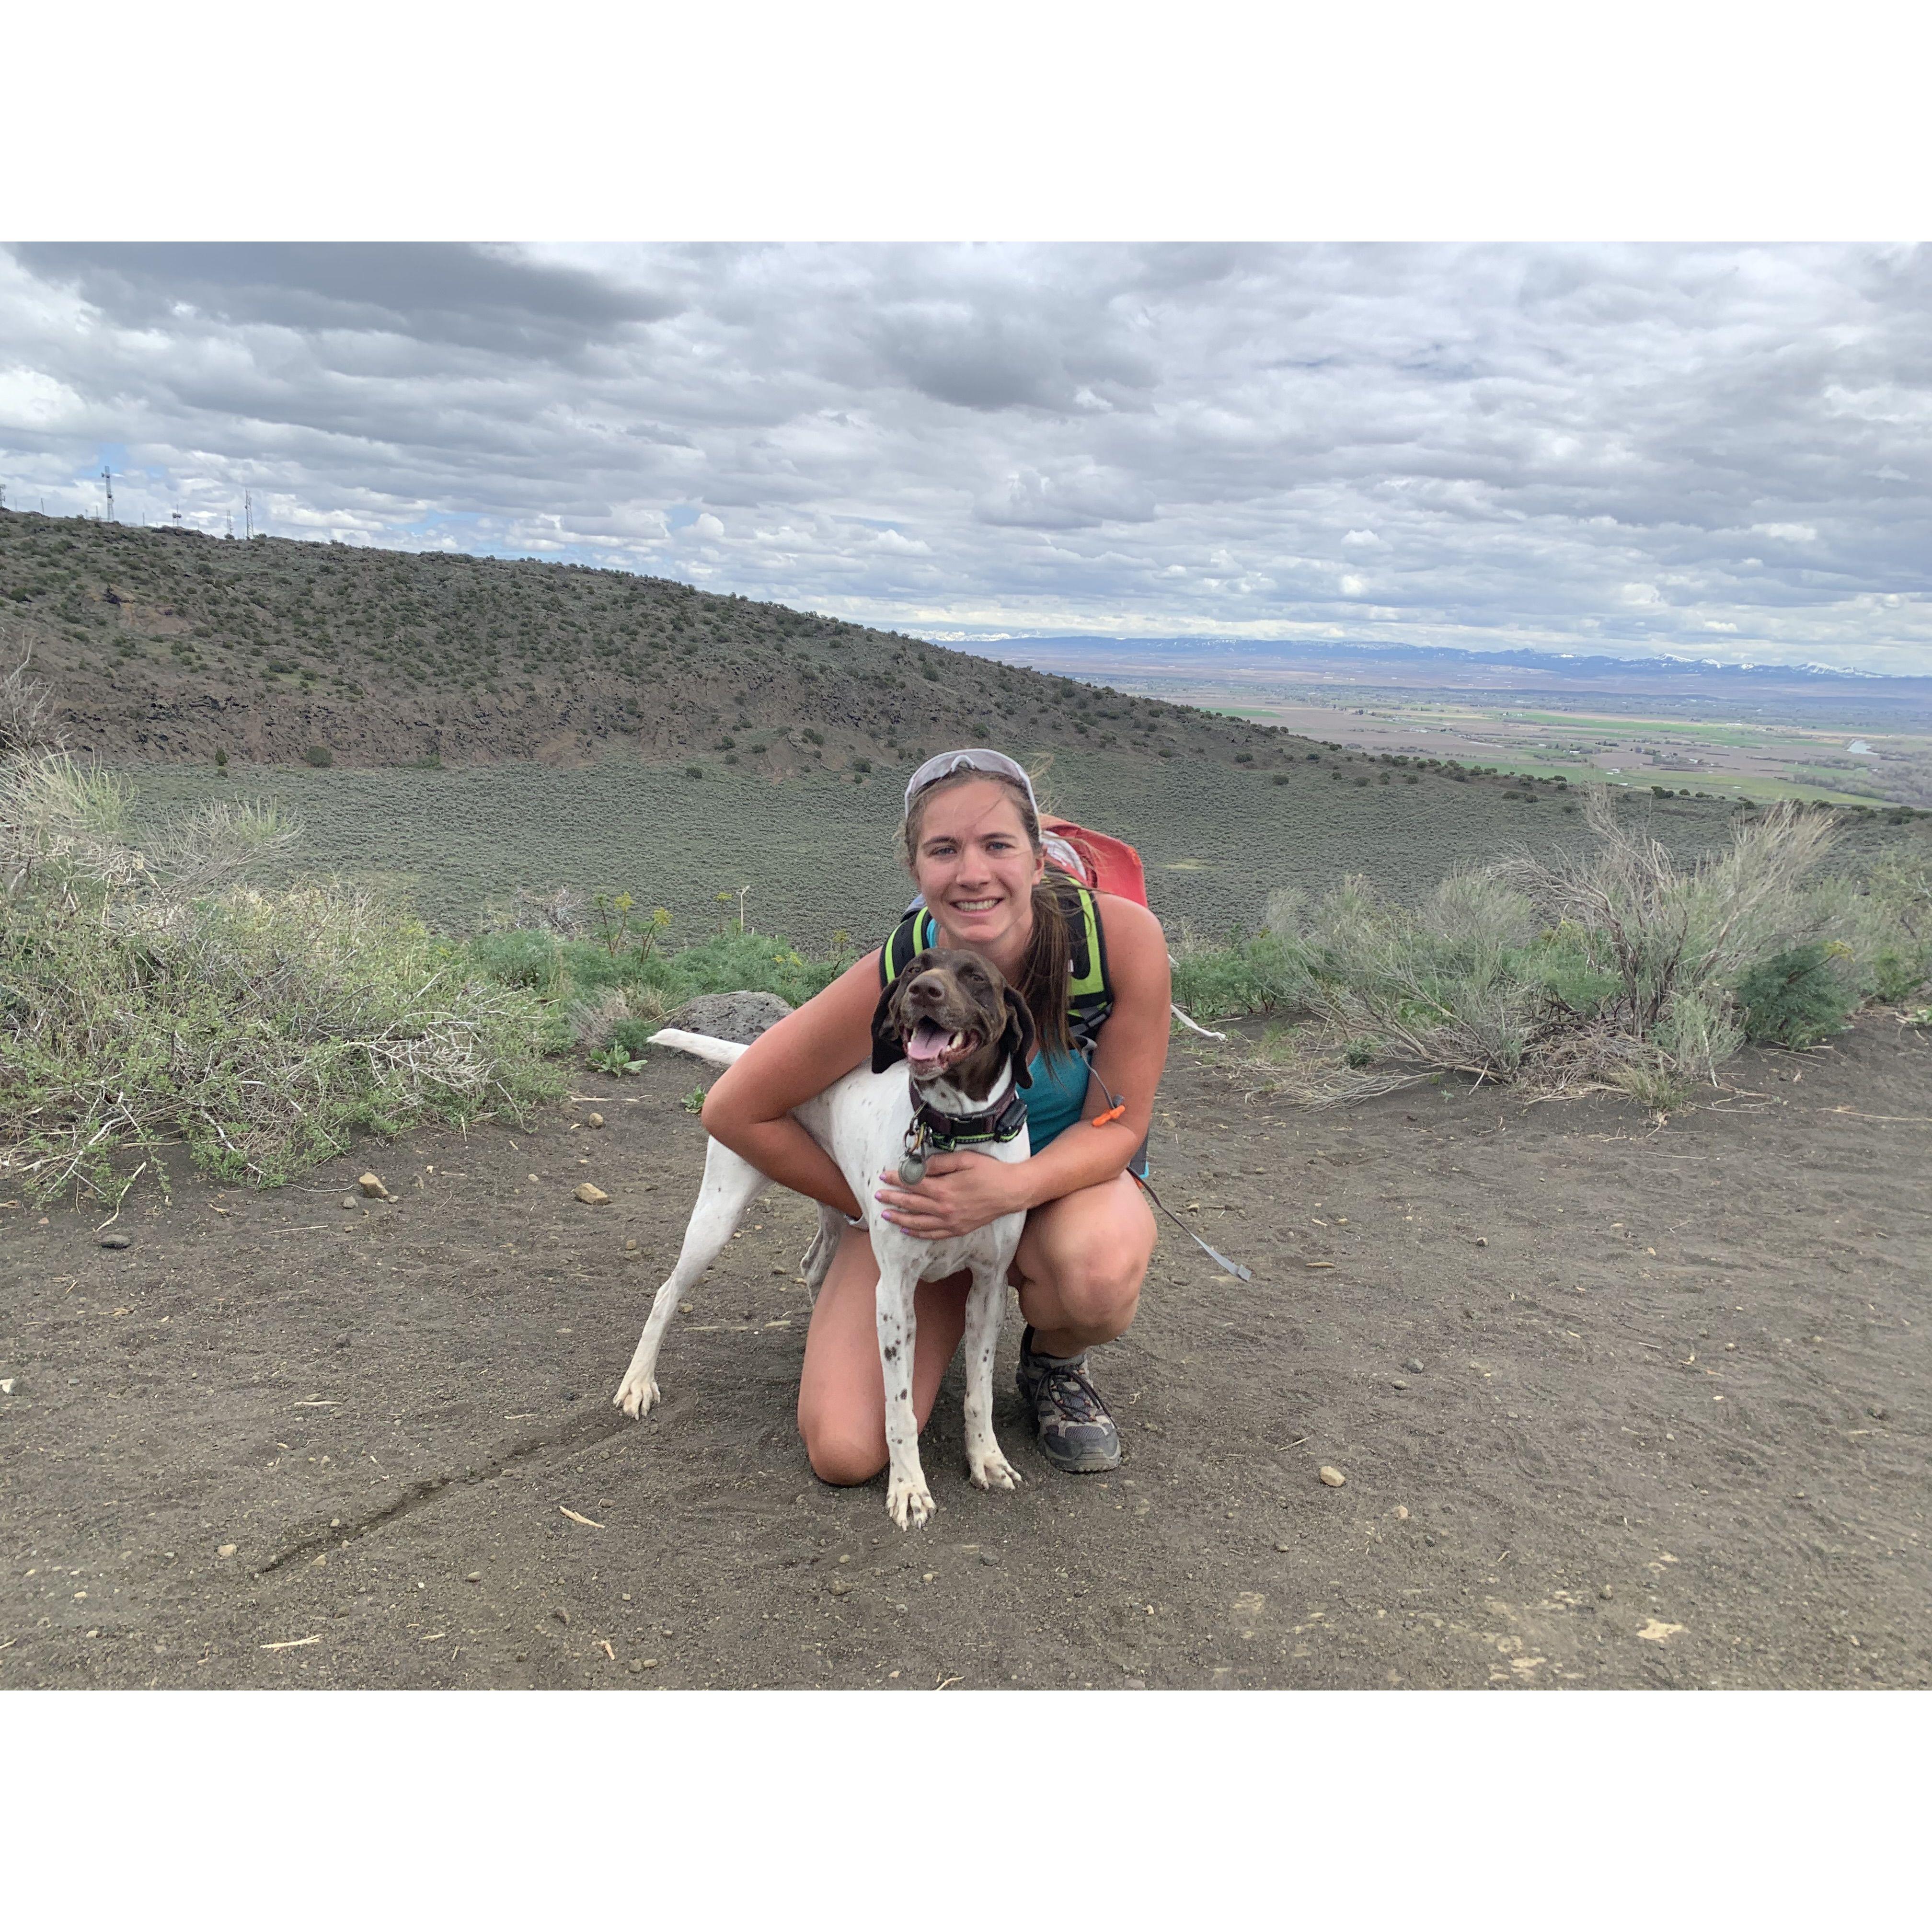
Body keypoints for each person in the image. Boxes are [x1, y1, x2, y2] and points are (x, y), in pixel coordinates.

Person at [701, 748, 1171, 1482]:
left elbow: (1120, 1126)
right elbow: (735, 1109)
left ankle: (1053, 1362)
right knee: (846, 1450)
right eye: (944, 850)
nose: (972, 873)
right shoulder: (904, 971)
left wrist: (1008, 1191)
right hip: (926, 1198)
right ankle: (935, 1307)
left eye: (997, 845)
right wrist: (881, 1205)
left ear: (1036, 857)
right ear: (916, 869)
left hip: (1057, 1187)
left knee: (1097, 1272)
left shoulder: (1115, 942)